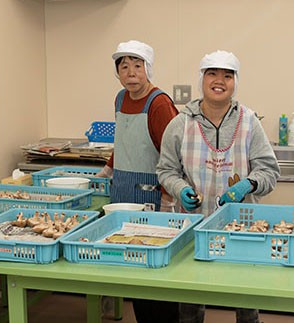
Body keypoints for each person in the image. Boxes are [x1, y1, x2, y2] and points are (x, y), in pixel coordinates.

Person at [157, 50, 280, 323]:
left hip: (242, 227)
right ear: (202, 79)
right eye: (212, 73)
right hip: (192, 227)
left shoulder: (250, 122)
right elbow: (166, 170)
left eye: (228, 75)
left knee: (246, 301)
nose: (219, 81)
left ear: (236, 82)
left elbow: (269, 171)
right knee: (190, 302)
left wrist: (249, 184)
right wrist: (180, 189)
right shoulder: (180, 124)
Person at [96, 39, 180, 322]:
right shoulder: (120, 99)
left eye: (137, 66)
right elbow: (123, 143)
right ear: (117, 72)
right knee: (131, 266)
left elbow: (172, 153)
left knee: (155, 268)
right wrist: (107, 170)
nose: (130, 72)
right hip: (122, 191)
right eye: (124, 66)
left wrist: (169, 196)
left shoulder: (159, 103)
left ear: (148, 69)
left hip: (152, 196)